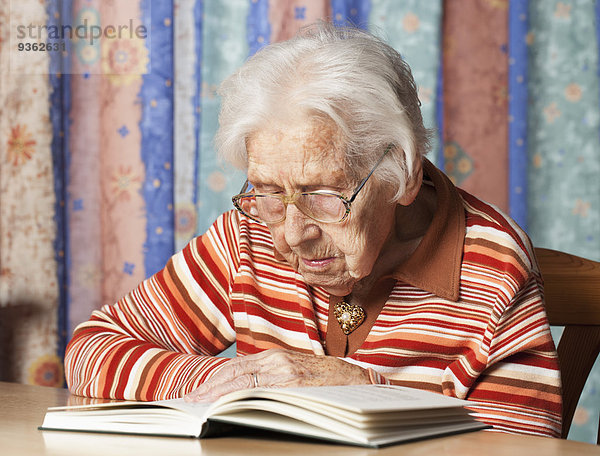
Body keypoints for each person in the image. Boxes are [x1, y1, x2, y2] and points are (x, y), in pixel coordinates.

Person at [65, 22, 562, 438]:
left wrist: (362, 391)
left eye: (324, 194)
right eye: (268, 190)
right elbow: (92, 348)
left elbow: (521, 444)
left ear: (403, 176)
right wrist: (234, 377)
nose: (291, 234)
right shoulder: (251, 230)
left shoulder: (491, 262)